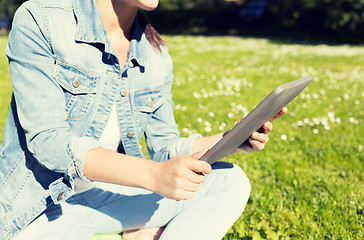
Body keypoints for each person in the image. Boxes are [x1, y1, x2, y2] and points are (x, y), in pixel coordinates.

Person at [0, 0, 286, 239]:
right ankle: (141, 230)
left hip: (106, 196)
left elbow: (165, 147)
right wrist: (154, 176)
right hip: (43, 206)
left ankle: (139, 228)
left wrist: (232, 138)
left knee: (229, 180)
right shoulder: (42, 19)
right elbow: (49, 143)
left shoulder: (155, 54)